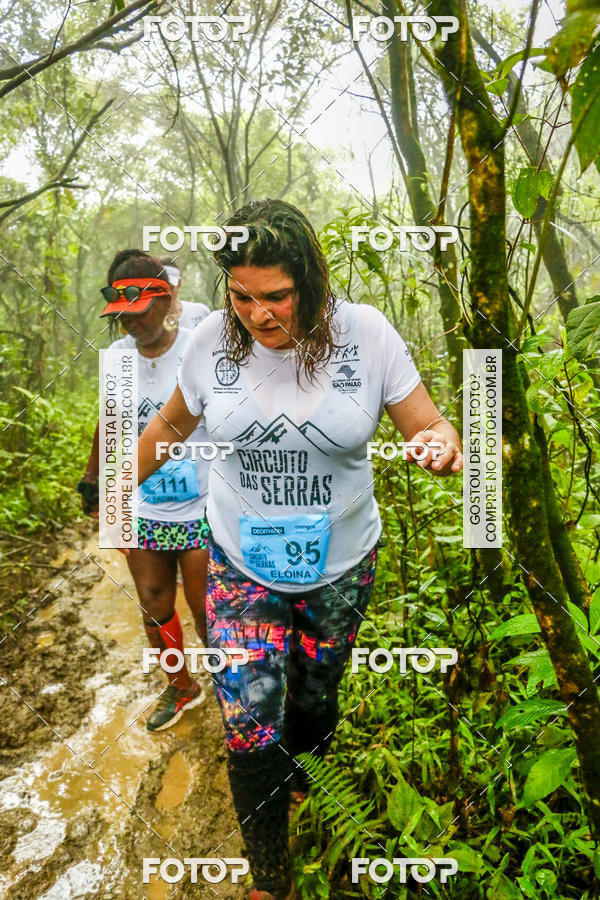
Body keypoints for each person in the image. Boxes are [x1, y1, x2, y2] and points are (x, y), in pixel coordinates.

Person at [134, 200, 463, 899]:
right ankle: (270, 879)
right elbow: (169, 423)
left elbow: (427, 420)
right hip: (239, 564)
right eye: (242, 296)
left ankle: (307, 764)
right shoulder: (210, 345)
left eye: (276, 296)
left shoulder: (365, 336)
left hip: (340, 566)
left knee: (314, 700)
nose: (258, 314)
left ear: (309, 281)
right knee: (252, 719)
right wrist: (112, 490)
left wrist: (438, 446)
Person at [78, 250, 211, 732]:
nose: (129, 325)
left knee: (206, 611)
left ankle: (235, 697)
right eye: (121, 317)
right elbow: (108, 423)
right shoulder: (116, 359)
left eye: (138, 313)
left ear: (166, 299)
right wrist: (93, 480)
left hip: (201, 505)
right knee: (154, 604)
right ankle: (182, 689)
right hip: (139, 505)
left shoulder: (201, 348)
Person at [158, 256, 211, 331]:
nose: (167, 294)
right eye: (161, 289)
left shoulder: (200, 312)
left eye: (171, 287)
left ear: (179, 283)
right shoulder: (150, 322)